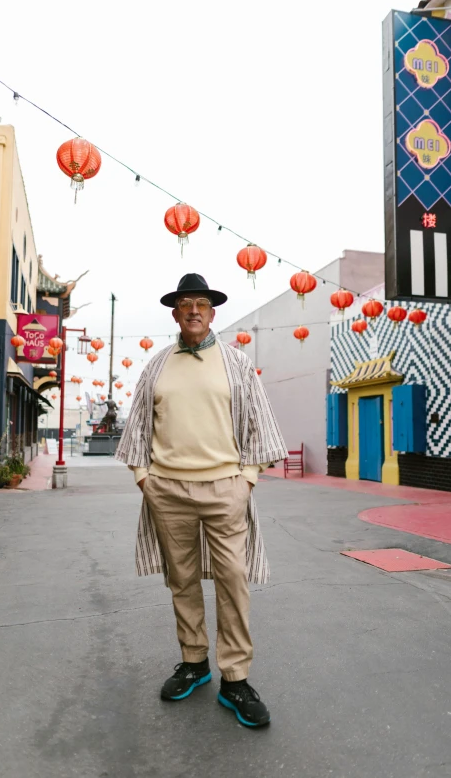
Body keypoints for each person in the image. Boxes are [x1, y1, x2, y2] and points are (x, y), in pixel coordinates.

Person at [116, 273, 287, 727]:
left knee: (233, 578)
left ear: (213, 313)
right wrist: (144, 479)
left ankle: (235, 678)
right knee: (182, 578)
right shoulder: (156, 365)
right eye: (186, 303)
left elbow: (259, 422)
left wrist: (246, 479)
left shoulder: (236, 363)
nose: (194, 310)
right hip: (167, 490)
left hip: (224, 488)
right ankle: (194, 661)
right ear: (175, 312)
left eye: (202, 303)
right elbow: (137, 426)